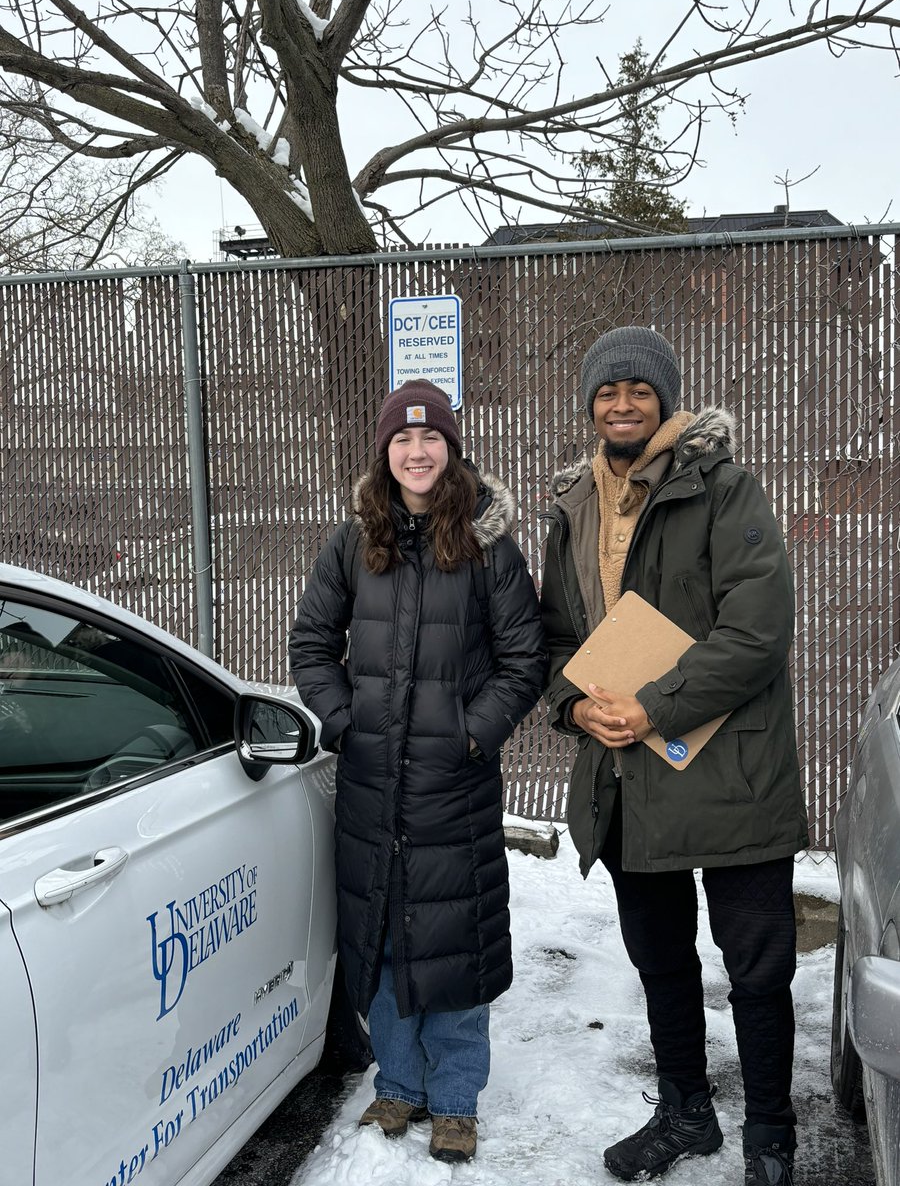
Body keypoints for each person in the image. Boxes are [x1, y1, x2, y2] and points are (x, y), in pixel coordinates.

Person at [540, 327, 809, 1186]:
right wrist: (576, 703)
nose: (622, 405)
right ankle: (686, 1113)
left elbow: (756, 631)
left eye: (638, 390)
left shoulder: (725, 490)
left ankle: (770, 1134)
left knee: (757, 969)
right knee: (660, 962)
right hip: (626, 780)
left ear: (665, 398)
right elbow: (552, 637)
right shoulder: (573, 504)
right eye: (607, 392)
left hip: (729, 771)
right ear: (590, 404)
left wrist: (650, 706)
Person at [289, 379, 546, 1164]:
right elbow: (311, 646)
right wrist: (345, 724)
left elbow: (523, 659)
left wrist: (470, 736)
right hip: (371, 783)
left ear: (451, 448)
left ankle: (457, 1099)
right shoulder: (351, 542)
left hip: (452, 785)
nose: (417, 451)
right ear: (385, 451)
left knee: (455, 943)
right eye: (402, 440)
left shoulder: (485, 545)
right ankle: (398, 1086)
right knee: (385, 939)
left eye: (430, 437)